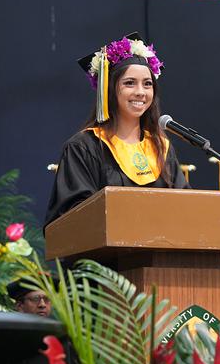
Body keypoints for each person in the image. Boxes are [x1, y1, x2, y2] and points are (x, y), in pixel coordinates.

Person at [45, 33, 188, 226]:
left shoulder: (160, 147)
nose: (140, 92)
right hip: (108, 256)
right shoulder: (85, 147)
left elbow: (187, 209)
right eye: (129, 83)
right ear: (110, 89)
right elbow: (73, 218)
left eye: (147, 84)